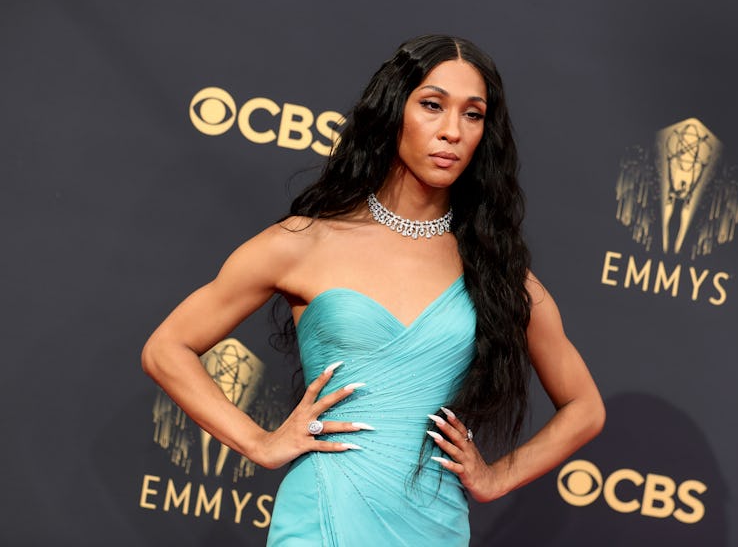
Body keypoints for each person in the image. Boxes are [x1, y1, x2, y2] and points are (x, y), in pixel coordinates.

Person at [142, 34, 605, 546]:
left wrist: (494, 478)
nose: (451, 131)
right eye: (432, 105)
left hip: (433, 524)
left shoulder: (496, 271)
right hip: (322, 517)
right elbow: (167, 349)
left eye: (472, 115)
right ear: (393, 113)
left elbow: (584, 407)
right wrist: (259, 442)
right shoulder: (305, 242)